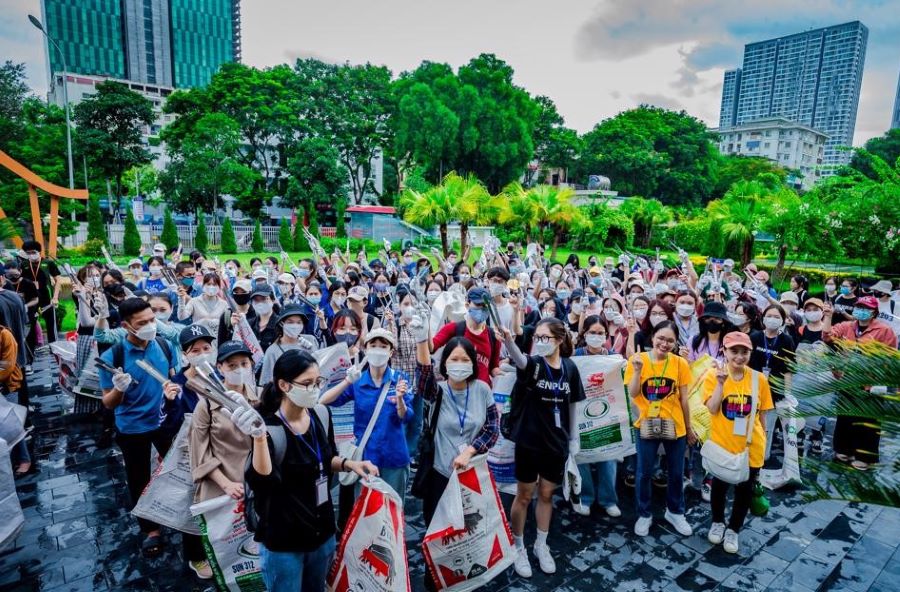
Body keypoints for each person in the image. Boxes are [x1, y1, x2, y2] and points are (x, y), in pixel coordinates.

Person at [241, 350, 378, 592]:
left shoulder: (320, 414)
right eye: (307, 384)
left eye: (318, 382)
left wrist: (350, 464)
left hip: (323, 531)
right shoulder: (270, 430)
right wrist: (259, 438)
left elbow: (326, 458)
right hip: (284, 541)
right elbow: (263, 482)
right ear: (283, 385)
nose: (314, 389)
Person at [501, 318, 585, 578]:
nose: (539, 342)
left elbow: (573, 405)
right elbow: (520, 360)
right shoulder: (534, 364)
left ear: (559, 340)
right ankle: (518, 546)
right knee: (524, 495)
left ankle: (541, 544)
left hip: (556, 443)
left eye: (545, 338)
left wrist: (573, 440)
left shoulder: (570, 368)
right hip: (529, 441)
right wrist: (508, 340)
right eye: (536, 337)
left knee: (547, 494)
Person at [97, 298, 180, 556]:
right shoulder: (112, 357)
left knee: (178, 468)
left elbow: (174, 379)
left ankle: (177, 511)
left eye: (152, 319)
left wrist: (172, 393)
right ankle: (150, 529)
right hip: (132, 427)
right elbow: (108, 402)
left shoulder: (165, 346)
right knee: (139, 477)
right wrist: (119, 389)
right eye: (142, 323)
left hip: (164, 422)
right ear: (126, 326)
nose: (150, 326)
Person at [320, 328, 413, 503]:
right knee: (365, 512)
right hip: (366, 458)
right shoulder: (358, 382)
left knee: (393, 509)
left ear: (391, 352)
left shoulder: (400, 379)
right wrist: (347, 380)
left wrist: (400, 400)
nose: (378, 350)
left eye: (383, 346)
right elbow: (323, 401)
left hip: (394, 456)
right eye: (373, 345)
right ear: (366, 349)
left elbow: (405, 417)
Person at [702, 331, 773, 554]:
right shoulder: (713, 375)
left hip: (750, 447)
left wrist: (764, 445)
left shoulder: (759, 379)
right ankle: (717, 522)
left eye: (744, 352)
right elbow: (712, 408)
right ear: (724, 351)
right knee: (719, 487)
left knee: (744, 491)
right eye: (734, 351)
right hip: (723, 444)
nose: (739, 357)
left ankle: (733, 529)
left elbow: (763, 415)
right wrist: (720, 384)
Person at [624, 320, 696, 538]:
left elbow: (684, 398)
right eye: (661, 338)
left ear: (675, 343)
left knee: (676, 472)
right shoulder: (638, 360)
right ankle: (644, 514)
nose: (665, 344)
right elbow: (634, 393)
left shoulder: (680, 363)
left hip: (675, 424)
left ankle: (675, 511)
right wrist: (637, 371)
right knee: (644, 472)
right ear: (653, 337)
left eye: (670, 341)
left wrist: (689, 428)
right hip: (646, 423)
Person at [165, 324, 217, 579]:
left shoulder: (219, 376)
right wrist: (170, 403)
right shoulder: (177, 384)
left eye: (206, 348)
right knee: (193, 503)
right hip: (190, 453)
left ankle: (219, 545)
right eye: (195, 350)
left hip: (220, 450)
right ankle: (195, 556)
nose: (202, 353)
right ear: (185, 354)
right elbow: (171, 426)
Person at [823, 296, 897, 470]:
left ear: (874, 312)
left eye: (865, 308)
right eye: (858, 307)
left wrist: (882, 381)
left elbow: (890, 359)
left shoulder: (884, 331)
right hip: (848, 380)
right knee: (845, 418)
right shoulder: (846, 327)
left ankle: (864, 456)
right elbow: (827, 337)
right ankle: (844, 449)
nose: (860, 311)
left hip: (871, 383)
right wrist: (828, 316)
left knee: (867, 421)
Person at [571, 317, 620, 518]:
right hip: (581, 414)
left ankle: (609, 500)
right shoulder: (575, 357)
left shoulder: (613, 358)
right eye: (593, 332)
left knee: (608, 457)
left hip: (607, 413)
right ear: (584, 334)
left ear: (607, 336)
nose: (597, 337)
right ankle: (585, 497)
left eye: (601, 333)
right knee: (582, 456)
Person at [749, 304, 795, 461]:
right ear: (763, 318)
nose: (772, 320)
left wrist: (788, 393)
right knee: (748, 425)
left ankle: (762, 458)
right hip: (751, 389)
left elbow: (789, 369)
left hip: (774, 393)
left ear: (782, 320)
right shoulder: (754, 337)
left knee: (766, 428)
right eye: (770, 316)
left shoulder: (786, 340)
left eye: (777, 317)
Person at [431, 287, 501, 386]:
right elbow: (431, 347)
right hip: (457, 391)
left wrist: (503, 376)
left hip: (482, 393)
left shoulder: (493, 335)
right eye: (477, 304)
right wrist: (425, 332)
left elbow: (493, 367)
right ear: (467, 305)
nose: (481, 309)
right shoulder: (454, 328)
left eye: (485, 306)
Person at [259, 304, 316, 384]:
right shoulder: (272, 351)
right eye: (290, 322)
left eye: (299, 322)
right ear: (282, 324)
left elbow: (320, 368)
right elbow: (267, 383)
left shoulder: (311, 340)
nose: (295, 326)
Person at [18, 240, 61, 345]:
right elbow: (20, 280)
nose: (31, 255)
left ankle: (55, 349)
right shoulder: (23, 265)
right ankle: (31, 352)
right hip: (31, 300)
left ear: (39, 252)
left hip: (47, 299)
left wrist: (55, 297)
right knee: (31, 325)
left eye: (33, 252)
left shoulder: (48, 263)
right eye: (28, 253)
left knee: (51, 326)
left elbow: (58, 280)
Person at [178, 272, 228, 336]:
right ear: (203, 285)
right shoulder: (194, 301)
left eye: (214, 285)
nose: (211, 287)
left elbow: (227, 324)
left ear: (219, 287)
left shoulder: (224, 304)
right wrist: (181, 299)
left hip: (217, 339)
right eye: (208, 284)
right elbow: (182, 317)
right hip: (198, 337)